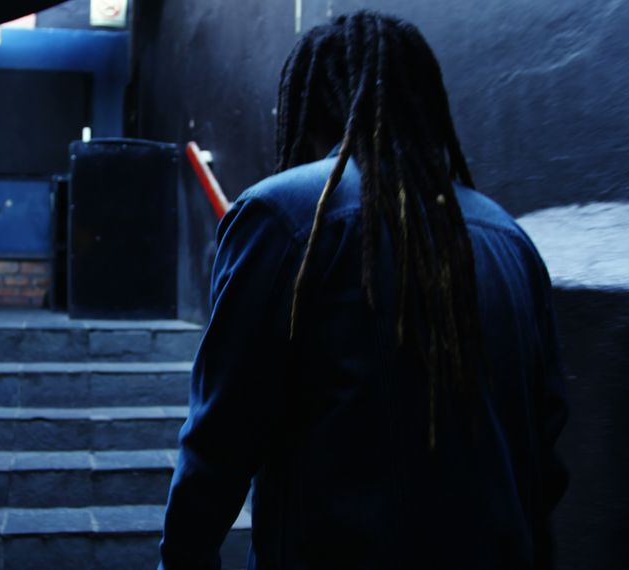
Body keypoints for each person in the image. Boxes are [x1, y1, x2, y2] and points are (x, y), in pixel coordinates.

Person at [159, 11, 568, 570]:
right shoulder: (507, 236)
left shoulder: (284, 216)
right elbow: (545, 451)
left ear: (312, 105)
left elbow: (220, 440)